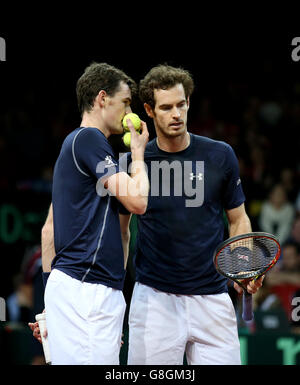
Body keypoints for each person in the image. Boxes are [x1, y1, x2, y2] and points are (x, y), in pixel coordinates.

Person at [119, 64, 263, 365]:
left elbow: (238, 219)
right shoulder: (134, 161)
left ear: (189, 103)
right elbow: (122, 231)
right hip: (154, 301)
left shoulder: (220, 154)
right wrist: (116, 292)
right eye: (167, 107)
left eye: (182, 104)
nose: (176, 114)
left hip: (213, 299)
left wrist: (243, 265)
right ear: (148, 109)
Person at [29, 62, 149, 365]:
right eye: (125, 102)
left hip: (93, 291)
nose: (128, 114)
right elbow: (138, 202)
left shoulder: (79, 151)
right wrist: (137, 153)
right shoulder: (87, 139)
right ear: (102, 98)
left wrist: (50, 306)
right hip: (85, 290)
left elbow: (50, 231)